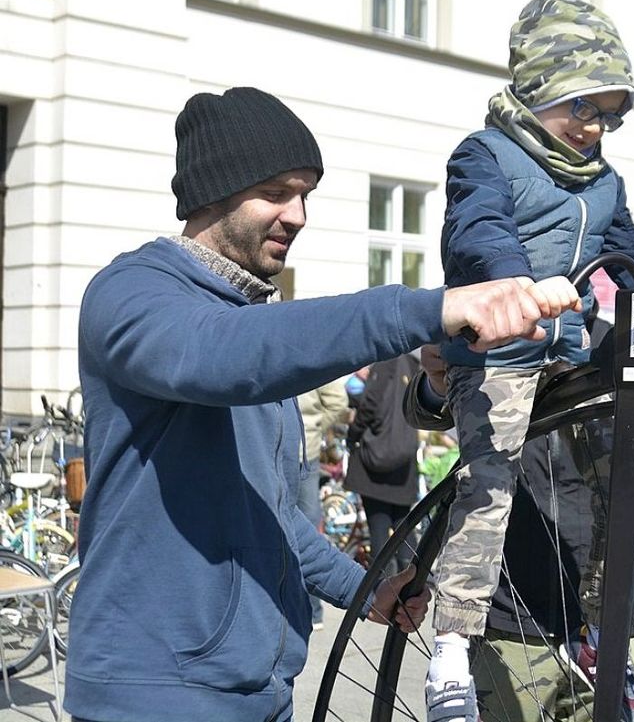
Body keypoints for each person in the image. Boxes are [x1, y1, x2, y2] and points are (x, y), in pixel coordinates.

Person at [67, 86, 563, 721]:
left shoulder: (252, 320)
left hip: (260, 691)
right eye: (276, 192)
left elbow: (270, 510)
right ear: (211, 194)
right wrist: (431, 308)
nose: (297, 214)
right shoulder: (132, 293)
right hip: (154, 694)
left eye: (305, 195)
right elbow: (221, 354)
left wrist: (366, 590)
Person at [428, 0, 634, 721]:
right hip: (498, 348)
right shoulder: (485, 155)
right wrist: (516, 284)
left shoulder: (603, 181)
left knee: (625, 474)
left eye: (609, 116)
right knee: (489, 484)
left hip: (565, 351)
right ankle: (452, 645)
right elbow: (478, 230)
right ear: (538, 88)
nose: (593, 129)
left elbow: (633, 255)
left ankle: (601, 623)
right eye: (582, 106)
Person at [404, 343, 634, 721]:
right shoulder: (502, 333)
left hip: (619, 628)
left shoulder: (624, 338)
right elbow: (423, 411)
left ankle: (600, 633)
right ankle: (449, 652)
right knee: (484, 486)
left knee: (628, 489)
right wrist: (437, 382)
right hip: (509, 626)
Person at [343, 353, 422, 575]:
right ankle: (415, 580)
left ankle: (385, 584)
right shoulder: (412, 364)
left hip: (376, 461)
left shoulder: (386, 362)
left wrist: (352, 436)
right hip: (404, 459)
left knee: (379, 529)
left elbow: (370, 403)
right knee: (404, 527)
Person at [297, 375, 352, 630]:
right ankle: (311, 610)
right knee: (306, 530)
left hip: (301, 451)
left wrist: (313, 427)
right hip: (304, 449)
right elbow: (337, 401)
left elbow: (338, 401)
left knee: (299, 530)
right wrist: (314, 427)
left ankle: (310, 609)